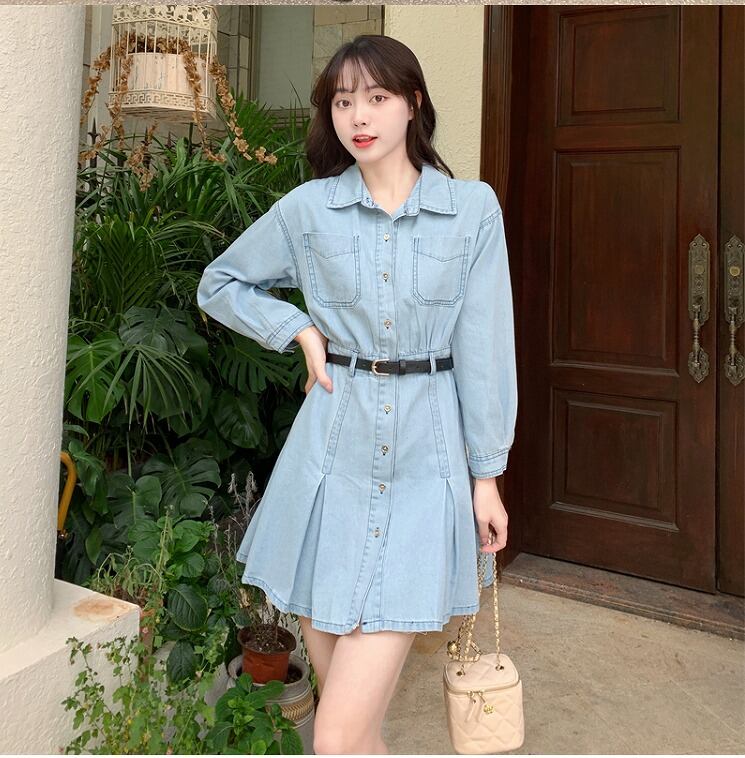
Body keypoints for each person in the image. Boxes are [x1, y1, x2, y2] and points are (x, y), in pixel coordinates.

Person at [197, 34, 517, 756]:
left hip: (425, 468)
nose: (359, 116)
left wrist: (486, 475)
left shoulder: (471, 211)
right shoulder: (310, 210)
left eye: (376, 97)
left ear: (413, 103)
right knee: (357, 734)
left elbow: (485, 350)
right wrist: (298, 330)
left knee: (335, 737)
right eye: (343, 102)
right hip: (328, 470)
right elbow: (220, 283)